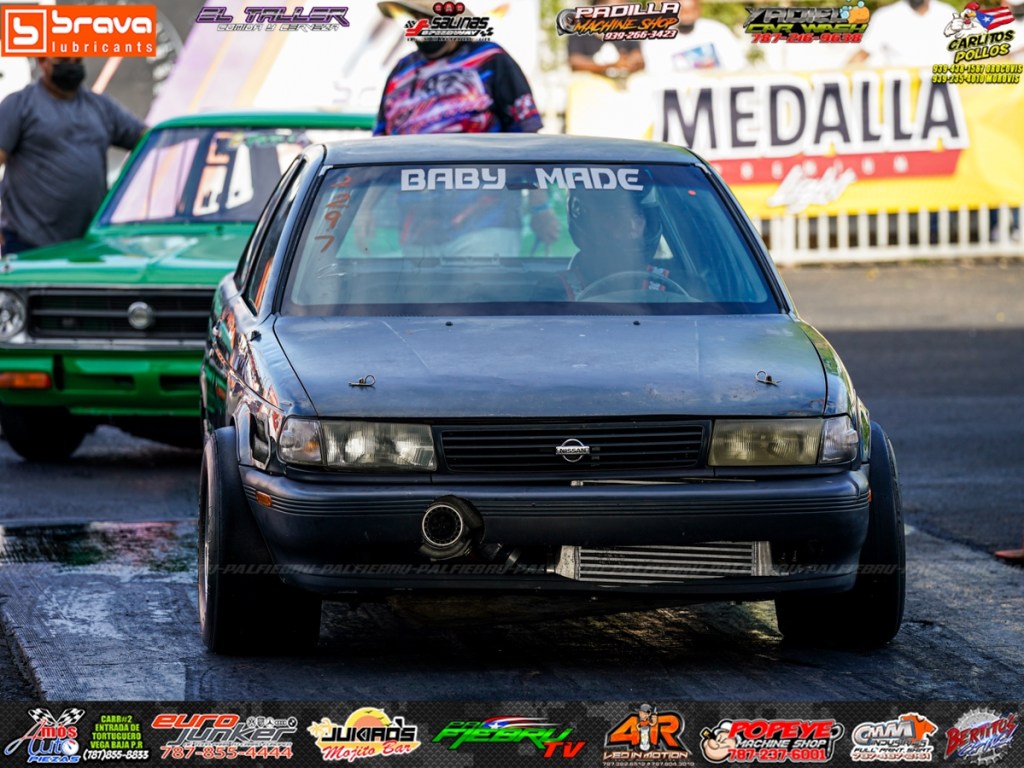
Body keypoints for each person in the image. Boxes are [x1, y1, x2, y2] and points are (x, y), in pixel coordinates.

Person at [370, 1, 558, 252]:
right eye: (411, 17)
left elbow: (526, 137)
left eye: (427, 17)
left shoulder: (490, 59)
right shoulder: (401, 71)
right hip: (416, 228)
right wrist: (364, 210)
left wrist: (540, 207)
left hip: (486, 221)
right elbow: (381, 148)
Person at [0, 57, 146, 255]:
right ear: (42, 62)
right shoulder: (19, 105)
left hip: (87, 245)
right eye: (63, 60)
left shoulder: (99, 106)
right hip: (28, 243)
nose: (71, 66)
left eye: (77, 60)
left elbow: (147, 138)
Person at [562, 183, 678, 299]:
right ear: (589, 224)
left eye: (637, 215)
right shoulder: (556, 291)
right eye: (614, 217)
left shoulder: (675, 287)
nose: (631, 227)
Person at [641, 0, 746, 73]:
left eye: (692, 10)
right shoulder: (657, 40)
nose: (688, 16)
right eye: (683, 11)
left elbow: (736, 66)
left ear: (699, 9)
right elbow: (658, 76)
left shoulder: (717, 31)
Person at [848, 0, 959, 66]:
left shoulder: (948, 13)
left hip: (942, 90)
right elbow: (862, 55)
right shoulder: (886, 17)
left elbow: (963, 55)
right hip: (900, 94)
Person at [568, 1, 645, 79]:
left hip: (624, 79)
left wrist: (631, 62)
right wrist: (612, 65)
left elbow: (638, 57)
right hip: (592, 80)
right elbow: (575, 63)